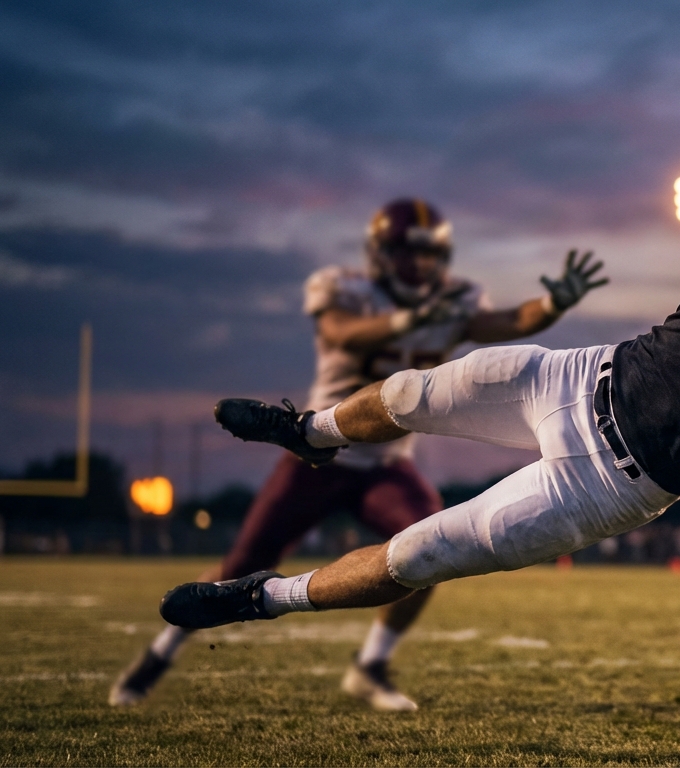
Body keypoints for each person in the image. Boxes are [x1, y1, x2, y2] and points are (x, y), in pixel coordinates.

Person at [158, 80, 680, 635]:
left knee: (417, 554)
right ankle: (313, 431)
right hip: (583, 376)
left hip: (610, 482)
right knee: (413, 390)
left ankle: (264, 597)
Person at [110, 198, 606, 711]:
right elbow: (340, 332)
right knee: (243, 563)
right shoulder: (347, 289)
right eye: (407, 252)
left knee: (432, 547)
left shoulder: (454, 302)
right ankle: (157, 657)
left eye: (428, 254)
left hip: (385, 467)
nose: (420, 265)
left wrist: (551, 306)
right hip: (317, 459)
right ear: (380, 254)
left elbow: (507, 322)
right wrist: (410, 320)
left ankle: (370, 667)